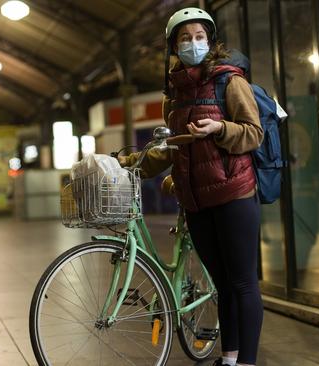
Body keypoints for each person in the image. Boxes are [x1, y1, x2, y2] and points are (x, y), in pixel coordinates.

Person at [119, 7, 264, 366]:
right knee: (222, 283)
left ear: (210, 41)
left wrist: (221, 130)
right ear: (174, 46)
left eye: (200, 37)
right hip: (197, 203)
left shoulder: (229, 82)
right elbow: (171, 147)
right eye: (185, 38)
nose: (193, 43)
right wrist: (124, 165)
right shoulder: (175, 95)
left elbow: (253, 134)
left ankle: (246, 363)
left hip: (234, 194)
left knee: (244, 284)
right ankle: (229, 359)